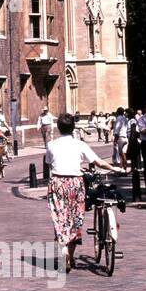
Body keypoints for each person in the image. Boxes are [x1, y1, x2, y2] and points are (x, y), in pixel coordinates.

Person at [45, 112, 123, 274]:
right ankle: (71, 255)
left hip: (58, 183)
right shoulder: (79, 145)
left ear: (58, 128)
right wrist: (114, 168)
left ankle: (64, 251)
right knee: (75, 218)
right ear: (73, 127)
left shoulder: (51, 145)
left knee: (60, 217)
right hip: (76, 183)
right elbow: (98, 162)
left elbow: (49, 163)